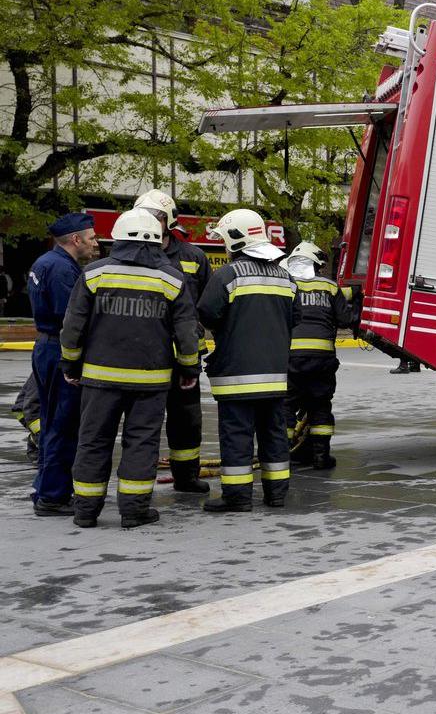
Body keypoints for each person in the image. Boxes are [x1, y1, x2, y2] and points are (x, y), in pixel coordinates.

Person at [59, 211, 200, 529]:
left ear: (119, 238)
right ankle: (134, 511)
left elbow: (72, 328)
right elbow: (188, 334)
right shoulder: (171, 279)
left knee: (93, 441)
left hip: (99, 379)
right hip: (151, 382)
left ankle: (85, 511)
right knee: (142, 443)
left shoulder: (94, 274)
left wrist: (70, 363)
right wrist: (190, 368)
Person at [198, 208, 297, 512]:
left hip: (236, 376)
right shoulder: (287, 277)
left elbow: (206, 313)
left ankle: (238, 498)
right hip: (275, 376)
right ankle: (276, 495)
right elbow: (296, 318)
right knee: (274, 435)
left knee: (237, 437)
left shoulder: (227, 276)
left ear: (235, 239)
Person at [132, 190, 213, 495]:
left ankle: (186, 477)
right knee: (144, 422)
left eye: (157, 216)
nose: (150, 221)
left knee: (187, 421)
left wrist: (194, 333)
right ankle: (138, 481)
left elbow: (207, 305)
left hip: (186, 358)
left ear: (169, 220)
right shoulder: (132, 256)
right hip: (146, 353)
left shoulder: (194, 257)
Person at [27, 213, 99, 516]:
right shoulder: (61, 270)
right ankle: (54, 496)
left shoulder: (47, 262)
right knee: (63, 425)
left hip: (46, 348)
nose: (96, 243)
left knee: (51, 423)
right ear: (76, 239)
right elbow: (72, 319)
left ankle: (46, 488)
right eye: (92, 238)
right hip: (58, 351)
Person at [285, 242, 355, 470]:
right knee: (320, 406)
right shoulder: (330, 287)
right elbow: (345, 320)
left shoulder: (286, 286)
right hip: (322, 360)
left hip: (291, 359)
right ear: (316, 265)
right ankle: (321, 457)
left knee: (286, 408)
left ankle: (280, 457)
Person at [10, 372, 41, 464]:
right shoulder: (47, 370)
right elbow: (32, 408)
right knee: (49, 439)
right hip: (26, 411)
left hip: (34, 409)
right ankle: (35, 442)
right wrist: (41, 435)